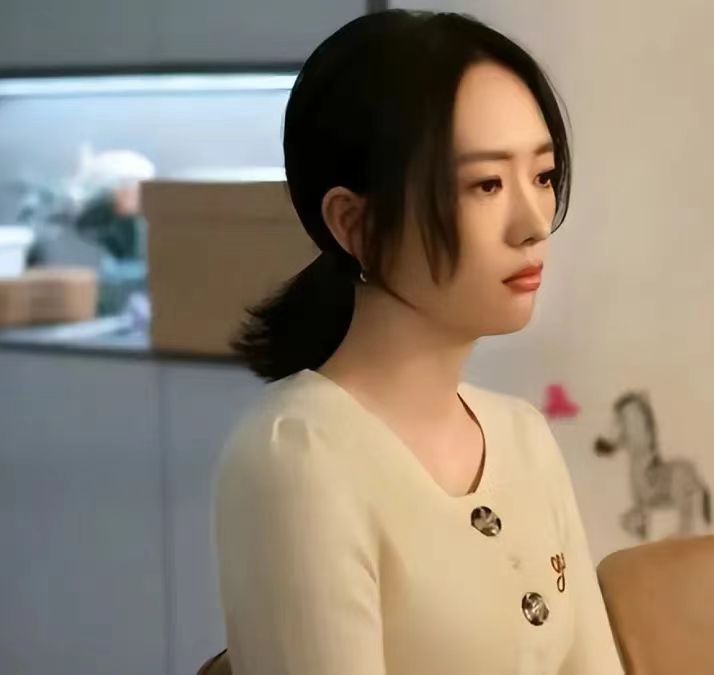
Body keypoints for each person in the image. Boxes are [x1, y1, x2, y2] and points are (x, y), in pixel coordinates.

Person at [212, 9, 624, 674]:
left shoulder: (523, 437)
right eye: (486, 184)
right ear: (355, 224)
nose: (533, 223)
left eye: (543, 176)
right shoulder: (297, 458)